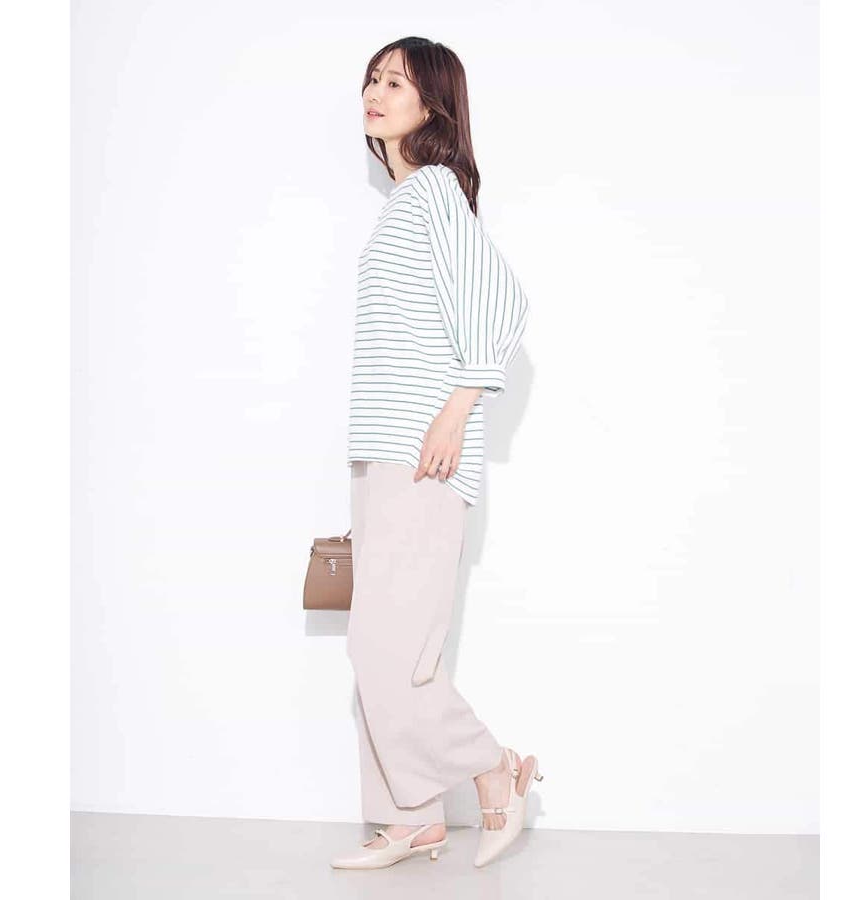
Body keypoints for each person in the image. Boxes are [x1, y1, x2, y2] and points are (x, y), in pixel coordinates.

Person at [330, 37, 542, 871]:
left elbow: (504, 302)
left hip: (421, 455)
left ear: (432, 105)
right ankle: (410, 818)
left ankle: (493, 767)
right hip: (384, 453)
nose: (376, 92)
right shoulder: (404, 203)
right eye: (373, 78)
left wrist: (456, 412)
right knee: (385, 645)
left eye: (397, 82)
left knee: (388, 650)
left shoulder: (433, 193)